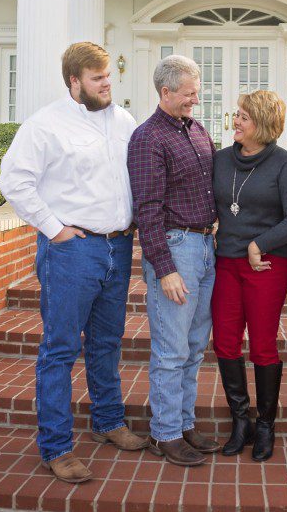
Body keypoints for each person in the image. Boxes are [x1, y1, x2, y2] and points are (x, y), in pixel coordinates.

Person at [0, 42, 148, 483]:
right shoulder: (45, 124)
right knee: (61, 348)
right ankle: (57, 446)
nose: (107, 84)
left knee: (106, 343)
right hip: (71, 250)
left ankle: (107, 422)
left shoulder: (124, 121)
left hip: (118, 249)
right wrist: (54, 228)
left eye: (108, 77)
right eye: (98, 78)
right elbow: (14, 180)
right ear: (74, 82)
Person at [127, 55, 219, 465]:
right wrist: (164, 269)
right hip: (175, 248)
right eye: (188, 93)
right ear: (165, 92)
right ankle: (165, 433)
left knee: (196, 346)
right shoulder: (148, 139)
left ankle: (183, 424)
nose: (194, 100)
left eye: (196, 92)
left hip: (205, 247)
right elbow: (147, 209)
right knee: (171, 349)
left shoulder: (197, 130)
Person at [211, 90, 287, 462]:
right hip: (226, 263)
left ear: (263, 125)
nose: (235, 121)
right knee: (224, 341)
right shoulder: (220, 160)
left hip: (266, 264)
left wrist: (259, 244)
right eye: (236, 115)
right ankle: (241, 421)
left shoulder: (285, 164)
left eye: (244, 117)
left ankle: (266, 425)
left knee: (263, 344)